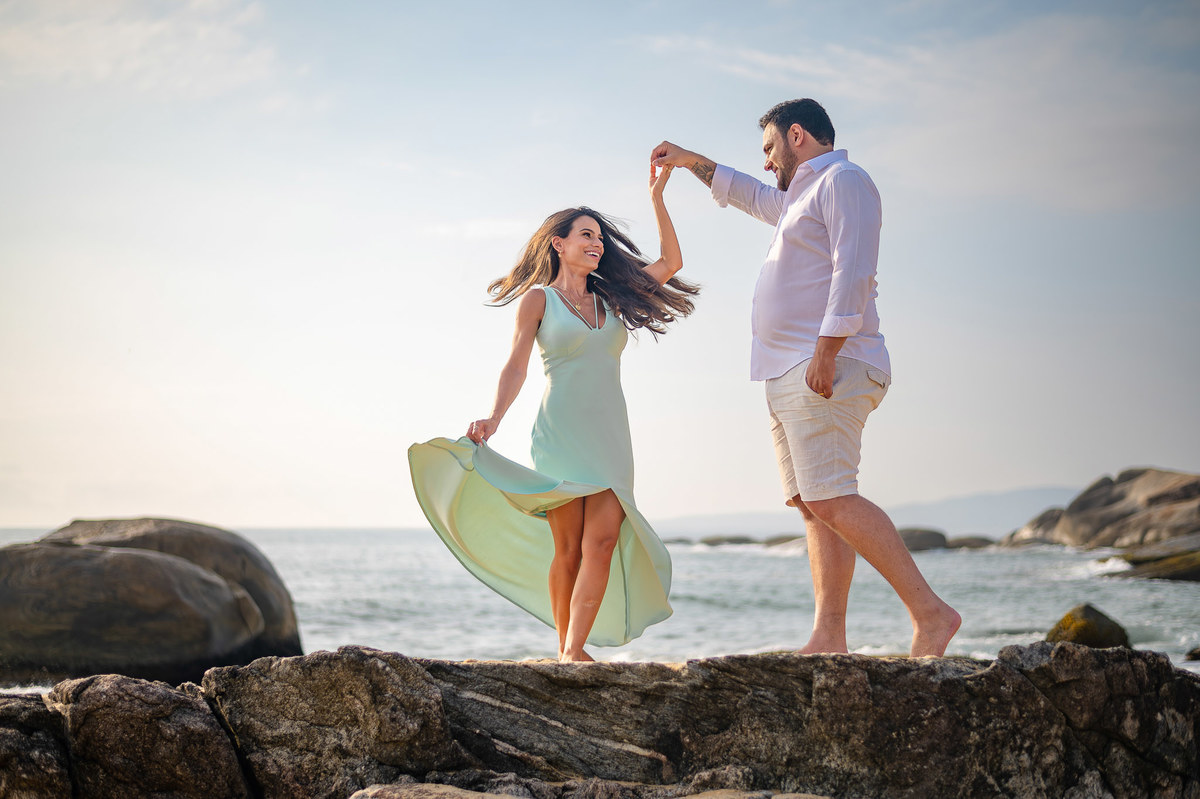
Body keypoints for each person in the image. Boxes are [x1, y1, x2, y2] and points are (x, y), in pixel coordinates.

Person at [650, 98, 961, 658]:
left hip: (827, 362)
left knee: (834, 497)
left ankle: (931, 615)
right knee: (813, 502)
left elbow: (854, 267)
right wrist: (690, 161)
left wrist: (826, 349)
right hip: (787, 368)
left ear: (797, 135)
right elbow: (747, 192)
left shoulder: (843, 180)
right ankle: (829, 636)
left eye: (769, 148)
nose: (767, 162)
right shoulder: (800, 197)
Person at [408, 164, 698, 662]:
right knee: (568, 548)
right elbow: (517, 365)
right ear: (558, 244)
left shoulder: (613, 298)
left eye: (600, 237)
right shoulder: (538, 300)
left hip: (609, 434)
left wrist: (657, 195)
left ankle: (573, 648)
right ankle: (566, 649)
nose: (598, 243)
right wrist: (494, 417)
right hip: (559, 431)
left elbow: (671, 260)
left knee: (602, 542)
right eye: (586, 235)